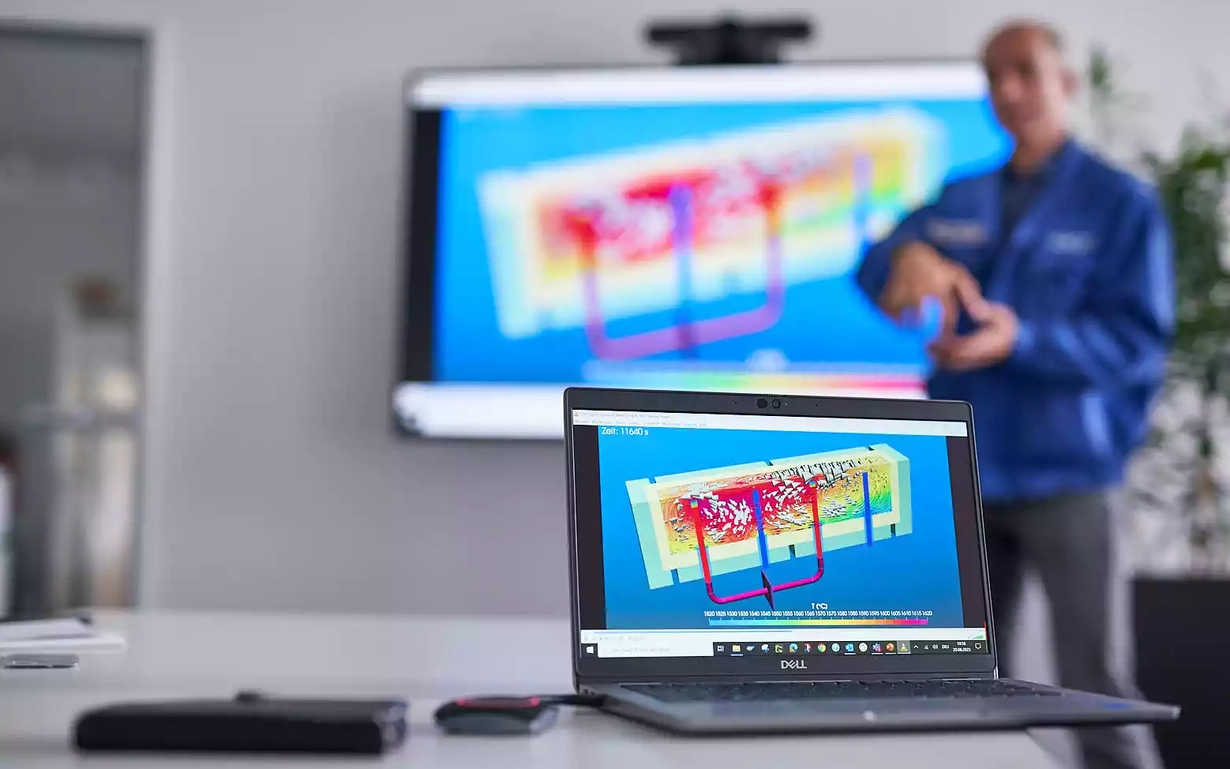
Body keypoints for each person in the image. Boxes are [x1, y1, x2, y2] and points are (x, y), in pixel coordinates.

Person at [855, 20, 1172, 769]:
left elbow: (1136, 342)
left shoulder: (1121, 203)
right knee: (961, 687)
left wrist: (1020, 339)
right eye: (994, 74)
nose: (1008, 90)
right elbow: (872, 269)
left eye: (1026, 71)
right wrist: (910, 256)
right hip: (965, 474)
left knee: (1097, 684)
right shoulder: (961, 196)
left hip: (1069, 477)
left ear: (1066, 81)